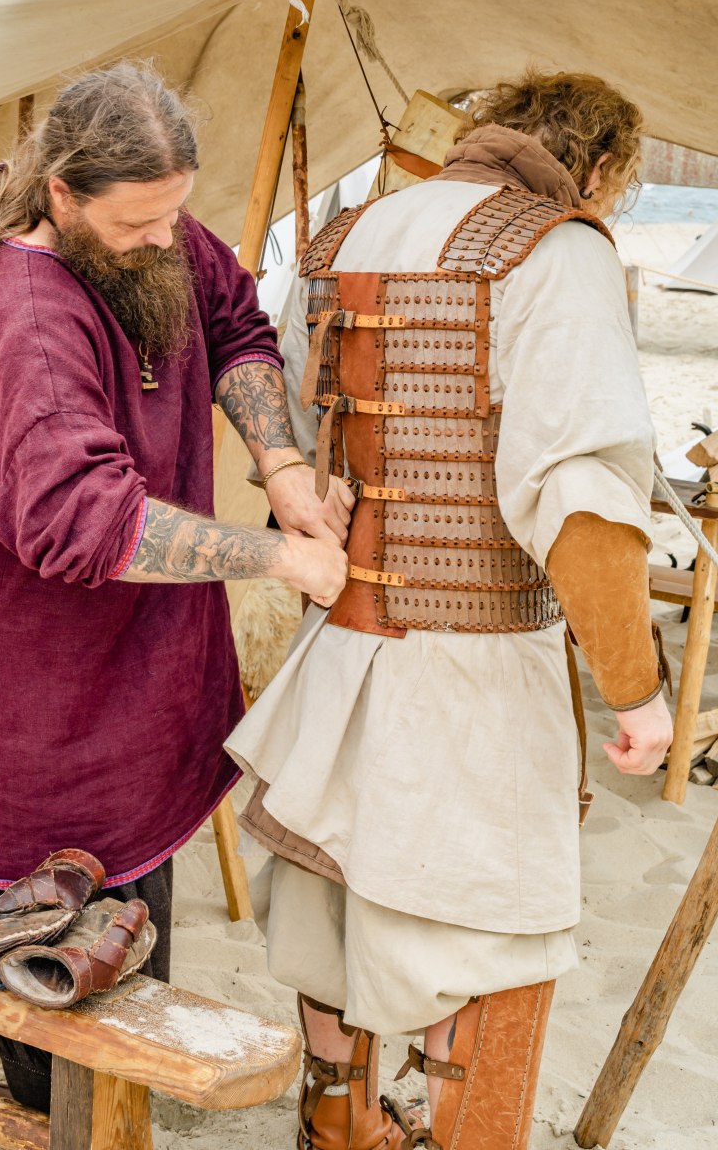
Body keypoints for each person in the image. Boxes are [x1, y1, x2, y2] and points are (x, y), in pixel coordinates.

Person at [0, 61, 350, 1118]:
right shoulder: (28, 315)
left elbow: (232, 318)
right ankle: (26, 1105)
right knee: (52, 910)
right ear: (62, 196)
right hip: (22, 663)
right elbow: (86, 521)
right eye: (137, 226)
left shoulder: (150, 227)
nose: (162, 241)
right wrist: (279, 555)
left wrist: (284, 469)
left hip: (127, 650)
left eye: (173, 216)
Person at [226, 70, 674, 1150]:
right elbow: (579, 503)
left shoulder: (352, 232)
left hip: (343, 641)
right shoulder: (555, 250)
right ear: (600, 170)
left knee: (334, 898)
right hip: (476, 671)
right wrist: (640, 689)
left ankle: (338, 1127)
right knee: (495, 933)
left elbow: (294, 436)